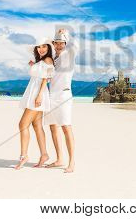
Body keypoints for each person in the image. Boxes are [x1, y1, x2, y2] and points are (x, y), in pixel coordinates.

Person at [15, 38, 54, 170]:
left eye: (44, 46)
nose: (41, 49)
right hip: (34, 92)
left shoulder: (48, 60)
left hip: (38, 94)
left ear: (48, 48)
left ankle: (23, 155)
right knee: (36, 125)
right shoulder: (41, 61)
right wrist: (34, 65)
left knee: (22, 124)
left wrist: (39, 95)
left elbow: (46, 78)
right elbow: (40, 74)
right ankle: (44, 154)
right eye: (39, 47)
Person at [44, 28, 78, 173]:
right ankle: (59, 159)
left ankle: (71, 162)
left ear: (65, 43)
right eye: (56, 43)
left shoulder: (68, 55)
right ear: (53, 43)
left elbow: (75, 45)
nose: (59, 46)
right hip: (52, 96)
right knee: (52, 127)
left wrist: (67, 33)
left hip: (64, 96)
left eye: (61, 43)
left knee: (66, 127)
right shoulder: (53, 59)